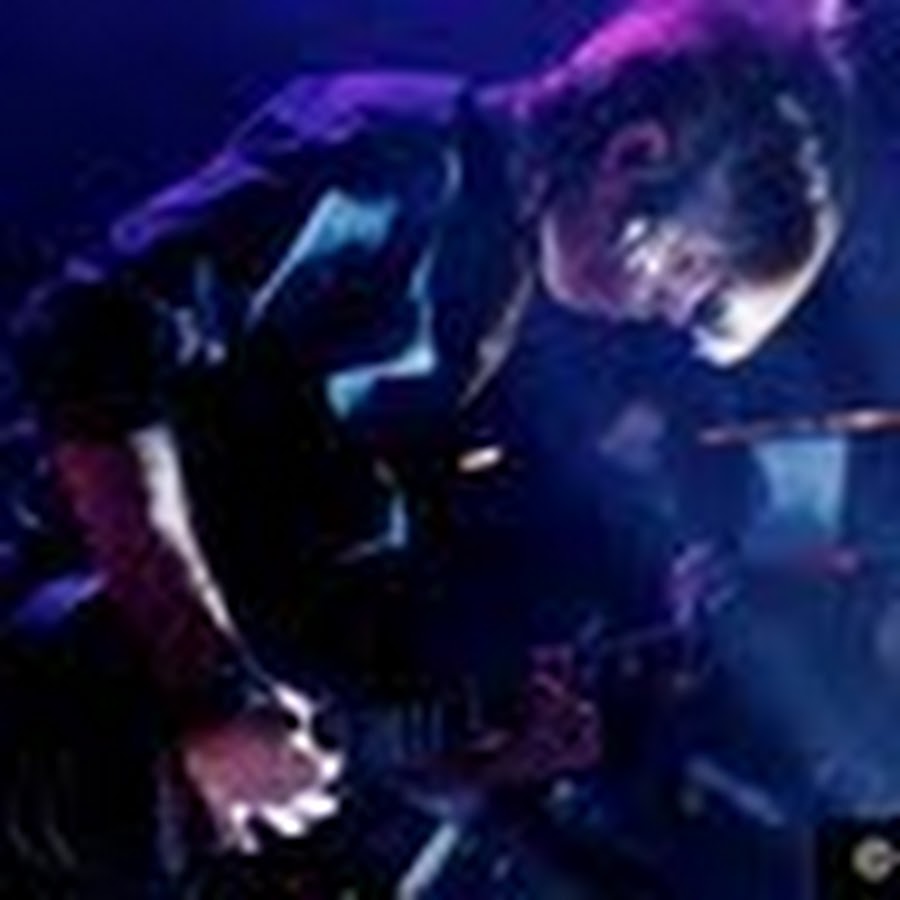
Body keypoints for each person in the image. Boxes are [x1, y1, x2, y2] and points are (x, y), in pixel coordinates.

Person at [9, 0, 852, 889]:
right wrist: (211, 691)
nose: (660, 312)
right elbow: (88, 340)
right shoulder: (388, 159)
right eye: (688, 273)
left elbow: (295, 631)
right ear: (636, 155)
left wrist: (465, 765)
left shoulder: (488, 278)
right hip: (52, 672)